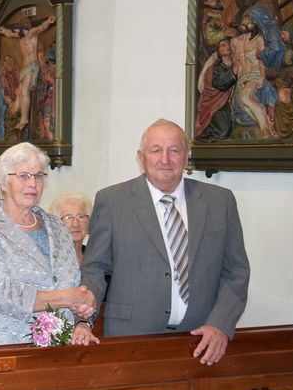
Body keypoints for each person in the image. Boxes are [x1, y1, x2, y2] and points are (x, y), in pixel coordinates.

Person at [79, 119, 250, 365]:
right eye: (156, 150)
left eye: (174, 150)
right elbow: (95, 267)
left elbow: (236, 271)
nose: (165, 159)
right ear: (141, 157)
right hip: (131, 338)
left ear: (186, 156)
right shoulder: (112, 201)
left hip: (201, 340)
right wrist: (84, 318)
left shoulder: (219, 202)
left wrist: (220, 324)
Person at [0, 142, 94, 347]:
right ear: (3, 183)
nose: (33, 183)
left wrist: (82, 321)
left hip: (60, 348)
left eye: (39, 175)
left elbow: (73, 286)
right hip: (4, 346)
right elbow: (2, 295)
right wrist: (67, 298)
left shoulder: (57, 227)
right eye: (23, 176)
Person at [0, 16, 56, 131]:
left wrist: (48, 22)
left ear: (20, 30)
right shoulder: (22, 39)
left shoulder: (31, 34)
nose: (14, 33)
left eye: (16, 31)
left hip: (31, 67)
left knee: (25, 91)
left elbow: (41, 28)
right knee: (20, 92)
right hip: (24, 69)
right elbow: (11, 34)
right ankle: (16, 114)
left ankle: (24, 119)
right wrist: (3, 31)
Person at [48, 192, 93, 265]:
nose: (75, 224)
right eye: (68, 218)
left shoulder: (95, 257)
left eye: (81, 217)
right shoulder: (49, 258)